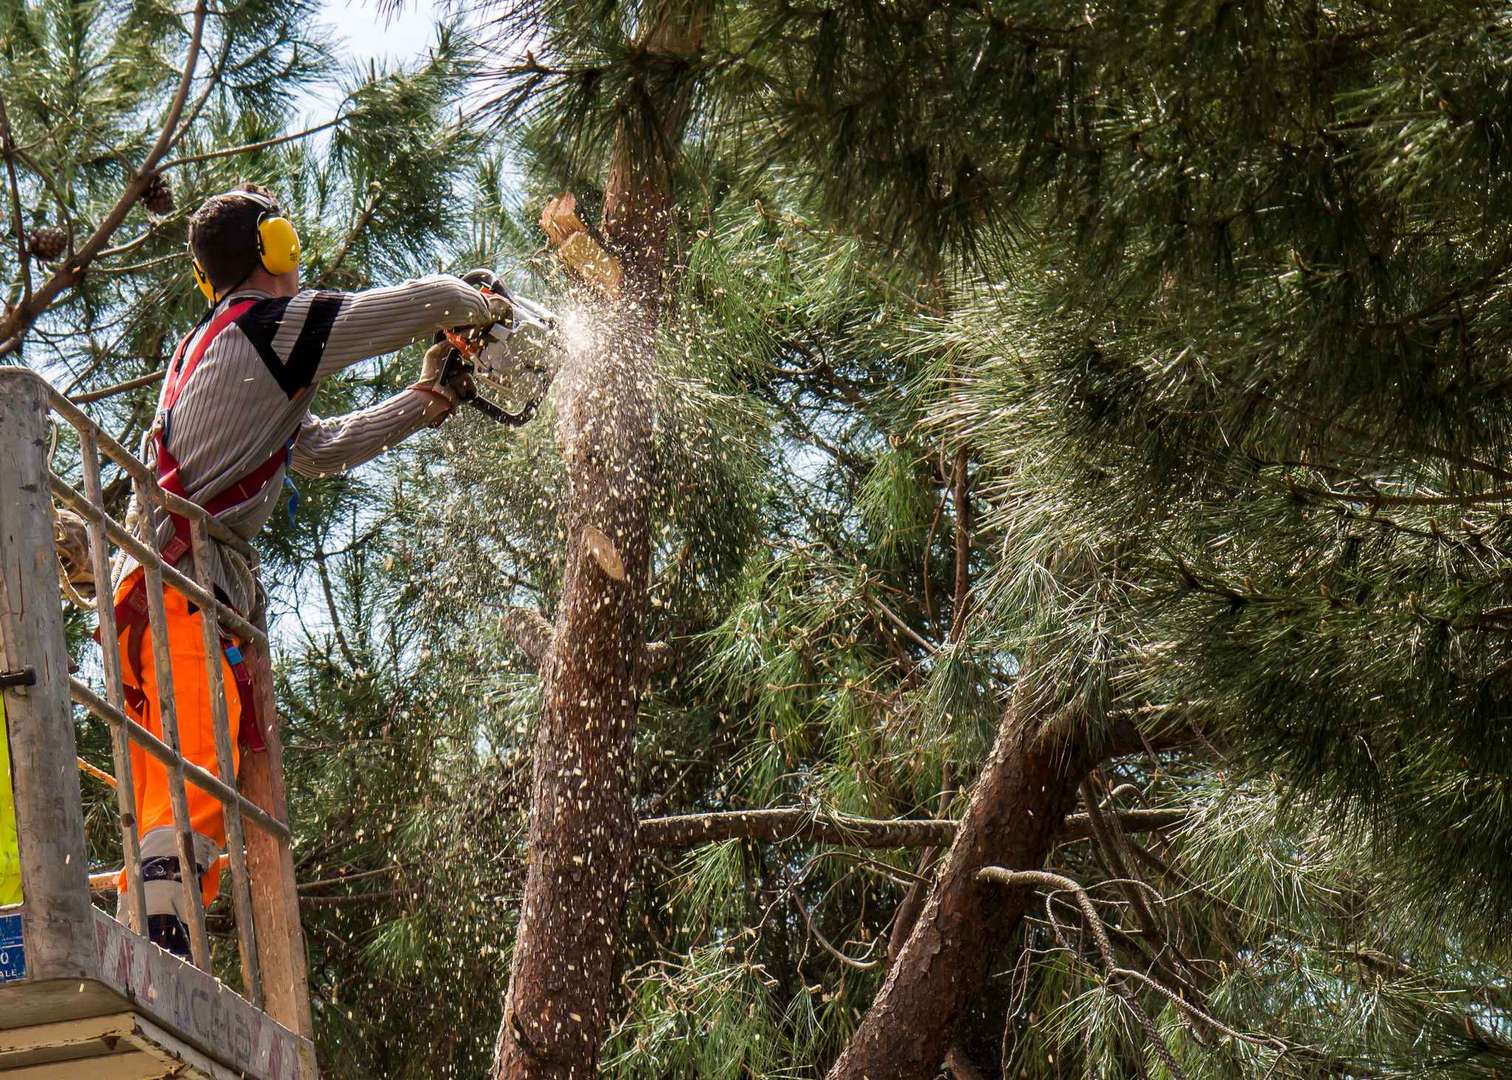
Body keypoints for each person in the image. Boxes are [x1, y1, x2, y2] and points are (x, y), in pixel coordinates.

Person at [111, 183, 499, 958]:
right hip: (179, 582)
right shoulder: (270, 325)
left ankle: (149, 946)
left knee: (168, 783)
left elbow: (316, 449)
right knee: (197, 773)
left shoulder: (220, 346)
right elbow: (396, 308)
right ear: (274, 247)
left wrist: (427, 398)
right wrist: (478, 300)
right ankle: (163, 952)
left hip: (158, 586)